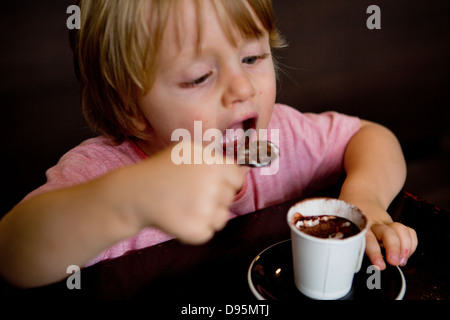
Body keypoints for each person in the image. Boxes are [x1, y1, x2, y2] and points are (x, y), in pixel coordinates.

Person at [0, 0, 417, 288]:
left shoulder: (280, 138)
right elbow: (11, 253)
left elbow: (372, 136)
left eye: (252, 58)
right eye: (199, 76)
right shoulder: (103, 173)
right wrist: (125, 201)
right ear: (131, 109)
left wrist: (364, 196)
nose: (242, 87)